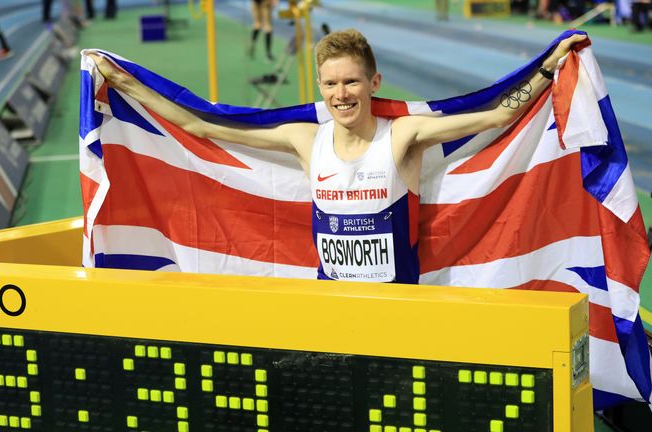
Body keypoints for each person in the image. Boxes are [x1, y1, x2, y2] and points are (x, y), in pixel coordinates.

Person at [88, 29, 586, 284]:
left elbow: (496, 117)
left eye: (351, 81)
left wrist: (548, 67)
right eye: (331, 84)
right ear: (320, 88)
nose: (341, 94)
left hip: (398, 311)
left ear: (373, 84)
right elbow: (199, 124)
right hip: (334, 305)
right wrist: (126, 84)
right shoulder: (307, 141)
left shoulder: (403, 136)